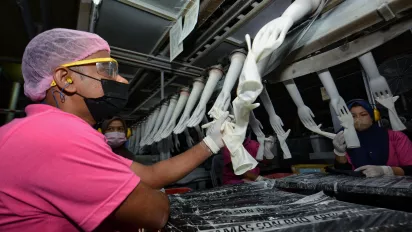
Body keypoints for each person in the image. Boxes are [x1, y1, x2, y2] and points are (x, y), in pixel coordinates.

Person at [0, 28, 229, 231]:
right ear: (65, 79)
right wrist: (148, 198)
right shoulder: (55, 137)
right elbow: (153, 213)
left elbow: (150, 175)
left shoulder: (48, 129)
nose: (120, 80)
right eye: (107, 69)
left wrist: (212, 142)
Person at [334, 99, 412, 177]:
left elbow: (410, 168)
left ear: (372, 117)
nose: (358, 118)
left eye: (363, 114)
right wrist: (339, 153)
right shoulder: (346, 139)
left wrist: (386, 170)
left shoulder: (396, 137)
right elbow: (343, 173)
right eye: (353, 116)